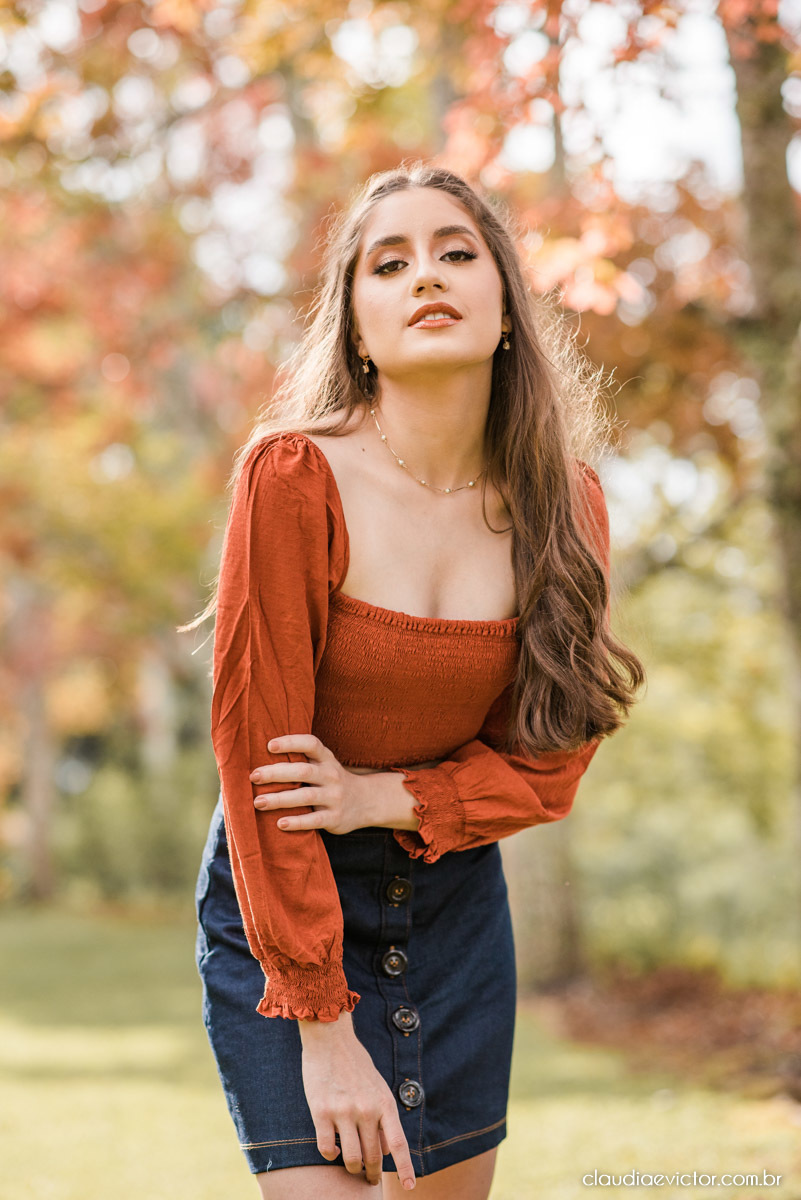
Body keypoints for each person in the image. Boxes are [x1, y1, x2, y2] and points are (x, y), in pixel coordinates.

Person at [183, 161, 644, 1199]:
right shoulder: (295, 475)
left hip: (456, 904)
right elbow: (258, 764)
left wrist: (382, 796)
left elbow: (553, 764)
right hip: (291, 901)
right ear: (355, 327)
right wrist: (323, 1026)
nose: (425, 275)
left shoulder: (565, 504)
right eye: (389, 263)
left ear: (507, 306)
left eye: (455, 252)